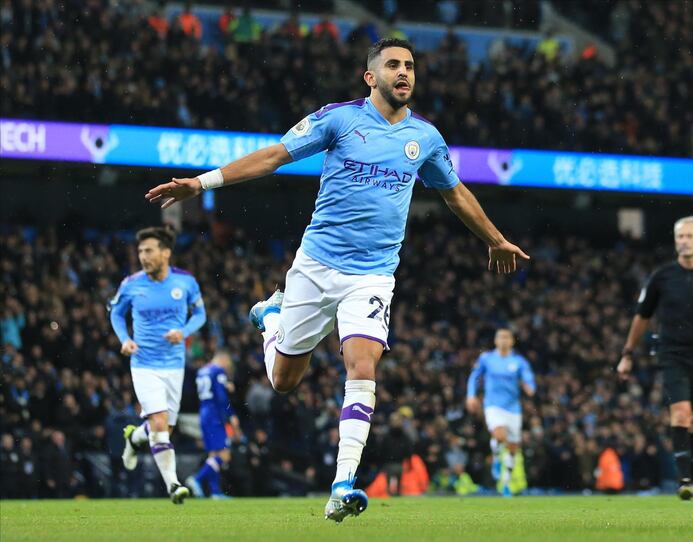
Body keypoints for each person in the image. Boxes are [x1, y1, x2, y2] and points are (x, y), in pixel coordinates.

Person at [144, 38, 529, 521]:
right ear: (371, 77)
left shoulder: (426, 139)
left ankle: (342, 483)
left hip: (372, 276)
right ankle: (271, 318)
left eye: (409, 65)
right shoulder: (338, 119)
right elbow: (274, 156)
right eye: (392, 65)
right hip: (316, 266)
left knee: (363, 367)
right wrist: (201, 183)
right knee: (283, 381)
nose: (403, 72)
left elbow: (455, 193)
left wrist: (494, 238)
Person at [617, 216, 693, 500]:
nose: (684, 241)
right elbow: (642, 317)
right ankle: (683, 479)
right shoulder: (662, 277)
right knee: (681, 412)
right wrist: (627, 353)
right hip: (672, 353)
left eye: (690, 236)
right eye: (680, 236)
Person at [109, 226, 207, 504]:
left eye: (149, 250)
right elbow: (116, 313)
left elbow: (200, 314)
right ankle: (174, 485)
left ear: (165, 253)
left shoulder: (185, 283)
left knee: (162, 429)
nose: (142, 256)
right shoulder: (131, 284)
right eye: (140, 251)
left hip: (174, 365)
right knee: (160, 422)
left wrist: (184, 332)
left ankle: (134, 439)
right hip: (144, 364)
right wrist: (125, 339)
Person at [466, 328, 535, 495]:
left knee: (512, 448)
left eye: (507, 337)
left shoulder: (519, 362)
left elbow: (529, 379)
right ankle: (496, 457)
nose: (504, 340)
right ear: (496, 341)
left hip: (513, 409)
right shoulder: (487, 359)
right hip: (493, 406)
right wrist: (471, 395)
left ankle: (505, 483)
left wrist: (529, 386)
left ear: (512, 341)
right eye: (500, 337)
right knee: (499, 434)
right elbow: (474, 376)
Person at [186, 350, 242, 499]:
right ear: (223, 360)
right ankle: (196, 479)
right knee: (224, 455)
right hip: (215, 416)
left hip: (204, 413)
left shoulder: (202, 371)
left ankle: (215, 491)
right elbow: (221, 397)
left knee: (213, 454)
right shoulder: (218, 370)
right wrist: (232, 415)